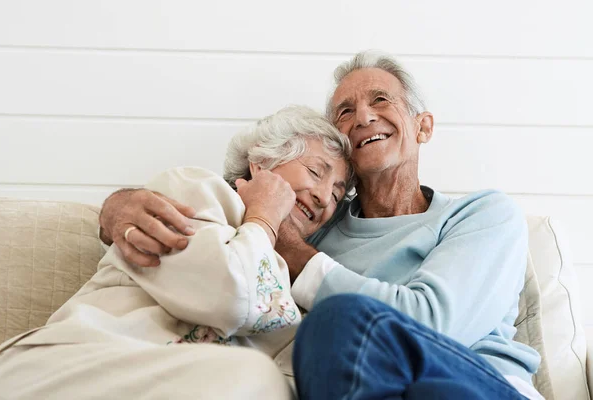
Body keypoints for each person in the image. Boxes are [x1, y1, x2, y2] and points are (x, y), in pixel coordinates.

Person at [95, 50, 545, 400]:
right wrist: (117, 207)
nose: (363, 116)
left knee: (337, 321)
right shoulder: (314, 226)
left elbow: (433, 324)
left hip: (473, 384)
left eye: (381, 100)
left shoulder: (481, 215)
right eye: (345, 112)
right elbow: (228, 224)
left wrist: (296, 256)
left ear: (422, 126)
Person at [0, 105, 353, 399]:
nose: (324, 197)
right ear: (262, 164)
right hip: (70, 367)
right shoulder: (195, 191)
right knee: (257, 378)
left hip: (177, 385)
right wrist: (264, 217)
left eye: (337, 194)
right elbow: (233, 297)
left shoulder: (299, 287)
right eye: (315, 172)